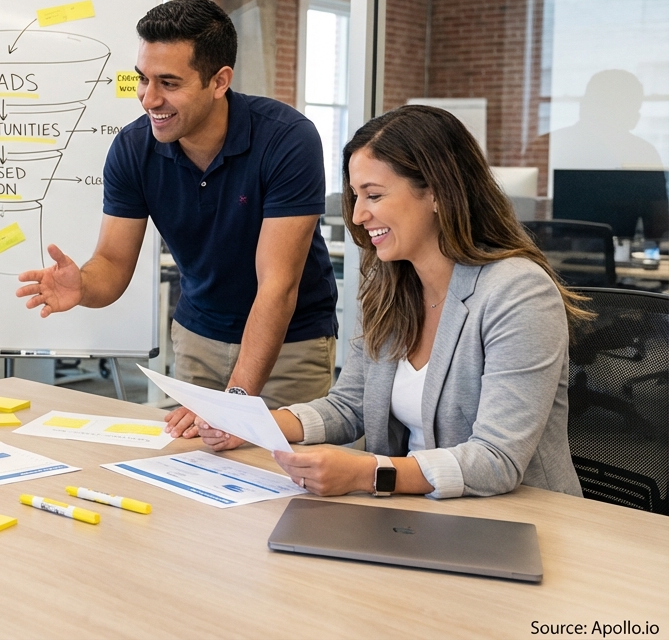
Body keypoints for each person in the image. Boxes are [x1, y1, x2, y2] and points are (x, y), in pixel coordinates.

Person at [199, 104, 587, 499]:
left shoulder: (518, 293)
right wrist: (251, 423)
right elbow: (350, 406)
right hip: (417, 513)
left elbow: (496, 461)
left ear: (437, 192)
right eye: (356, 196)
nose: (360, 214)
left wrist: (367, 473)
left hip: (520, 521)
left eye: (375, 195)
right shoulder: (389, 285)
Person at [16, 0, 337, 428]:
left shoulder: (287, 140)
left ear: (219, 81)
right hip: (198, 337)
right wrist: (84, 286)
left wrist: (236, 402)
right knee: (199, 472)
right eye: (143, 80)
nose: (149, 99)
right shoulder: (133, 149)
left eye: (168, 82)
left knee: (285, 477)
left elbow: (277, 286)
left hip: (290, 344)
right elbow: (111, 262)